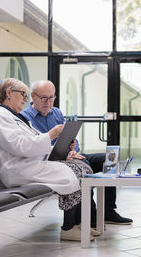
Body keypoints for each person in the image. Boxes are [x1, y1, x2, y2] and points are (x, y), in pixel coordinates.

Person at [0, 78, 98, 241]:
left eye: (26, 95)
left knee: (80, 167)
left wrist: (64, 152)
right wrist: (51, 134)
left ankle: (78, 224)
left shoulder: (16, 118)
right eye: (23, 94)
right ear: (8, 93)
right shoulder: (0, 118)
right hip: (17, 169)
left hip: (29, 164)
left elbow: (35, 142)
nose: (25, 99)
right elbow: (21, 146)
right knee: (75, 171)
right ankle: (69, 228)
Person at [21, 80, 132, 225]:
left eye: (52, 97)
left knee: (108, 158)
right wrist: (67, 154)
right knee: (83, 165)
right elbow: (33, 147)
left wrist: (73, 148)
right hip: (50, 163)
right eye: (44, 98)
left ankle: (108, 211)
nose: (49, 102)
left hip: (70, 156)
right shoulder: (25, 118)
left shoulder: (56, 113)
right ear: (33, 96)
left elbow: (71, 139)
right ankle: (89, 216)